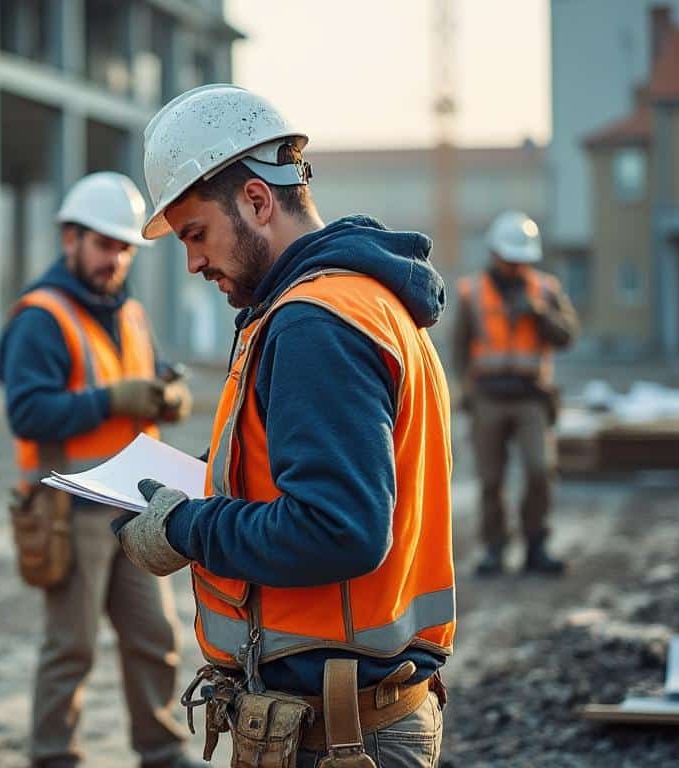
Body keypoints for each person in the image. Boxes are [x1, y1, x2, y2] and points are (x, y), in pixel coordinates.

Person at [112, 84, 454, 767]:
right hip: (349, 718)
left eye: (196, 234)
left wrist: (187, 529)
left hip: (340, 739)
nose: (193, 262)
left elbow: (339, 528)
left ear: (258, 202)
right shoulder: (348, 303)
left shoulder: (314, 323)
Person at [0, 172, 198, 768]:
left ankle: (161, 750)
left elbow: (155, 373)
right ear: (70, 240)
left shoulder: (130, 312)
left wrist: (170, 393)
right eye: (105, 244)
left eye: (125, 248)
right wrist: (115, 400)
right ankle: (54, 755)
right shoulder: (41, 317)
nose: (116, 258)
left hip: (134, 508)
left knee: (155, 638)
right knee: (72, 646)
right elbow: (28, 412)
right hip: (68, 510)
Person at [455, 211, 578, 578]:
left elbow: (568, 335)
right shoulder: (471, 291)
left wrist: (541, 315)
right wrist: (467, 391)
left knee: (540, 470)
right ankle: (494, 548)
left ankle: (536, 545)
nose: (515, 266)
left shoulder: (545, 289)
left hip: (531, 397)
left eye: (521, 259)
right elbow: (460, 347)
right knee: (491, 479)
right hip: (488, 397)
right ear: (494, 253)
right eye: (510, 258)